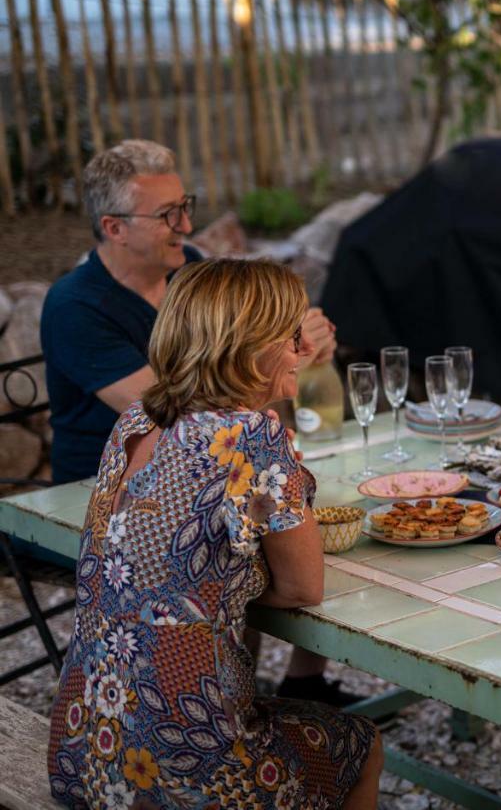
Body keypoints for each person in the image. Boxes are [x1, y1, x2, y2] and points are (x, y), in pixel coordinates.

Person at [46, 258, 383, 808]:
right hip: (188, 775)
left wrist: (204, 587)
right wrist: (224, 588)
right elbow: (304, 589)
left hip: (86, 753)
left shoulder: (136, 421)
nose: (305, 349)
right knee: (361, 743)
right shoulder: (252, 435)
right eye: (292, 334)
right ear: (248, 345)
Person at [40, 139, 353, 705]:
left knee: (262, 539)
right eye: (168, 214)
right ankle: (238, 702)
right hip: (116, 500)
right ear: (113, 227)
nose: (187, 223)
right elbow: (193, 412)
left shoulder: (194, 276)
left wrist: (288, 353)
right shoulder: (75, 306)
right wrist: (283, 361)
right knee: (279, 555)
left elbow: (220, 408)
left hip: (96, 727)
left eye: (187, 204)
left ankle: (274, 685)